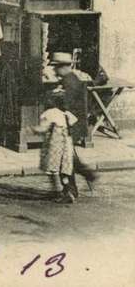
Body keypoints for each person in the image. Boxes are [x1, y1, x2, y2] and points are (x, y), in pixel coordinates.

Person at [50, 52, 98, 188]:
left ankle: (71, 190)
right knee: (69, 157)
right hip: (75, 124)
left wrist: (54, 97)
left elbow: (67, 105)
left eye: (57, 67)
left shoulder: (69, 81)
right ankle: (87, 175)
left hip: (71, 125)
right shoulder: (71, 78)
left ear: (64, 67)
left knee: (65, 159)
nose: (55, 70)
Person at [33, 89, 80, 203]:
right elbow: (74, 122)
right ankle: (67, 190)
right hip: (67, 145)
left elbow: (43, 128)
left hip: (54, 146)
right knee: (64, 168)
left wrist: (33, 129)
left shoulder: (49, 114)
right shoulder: (66, 114)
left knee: (53, 169)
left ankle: (58, 191)